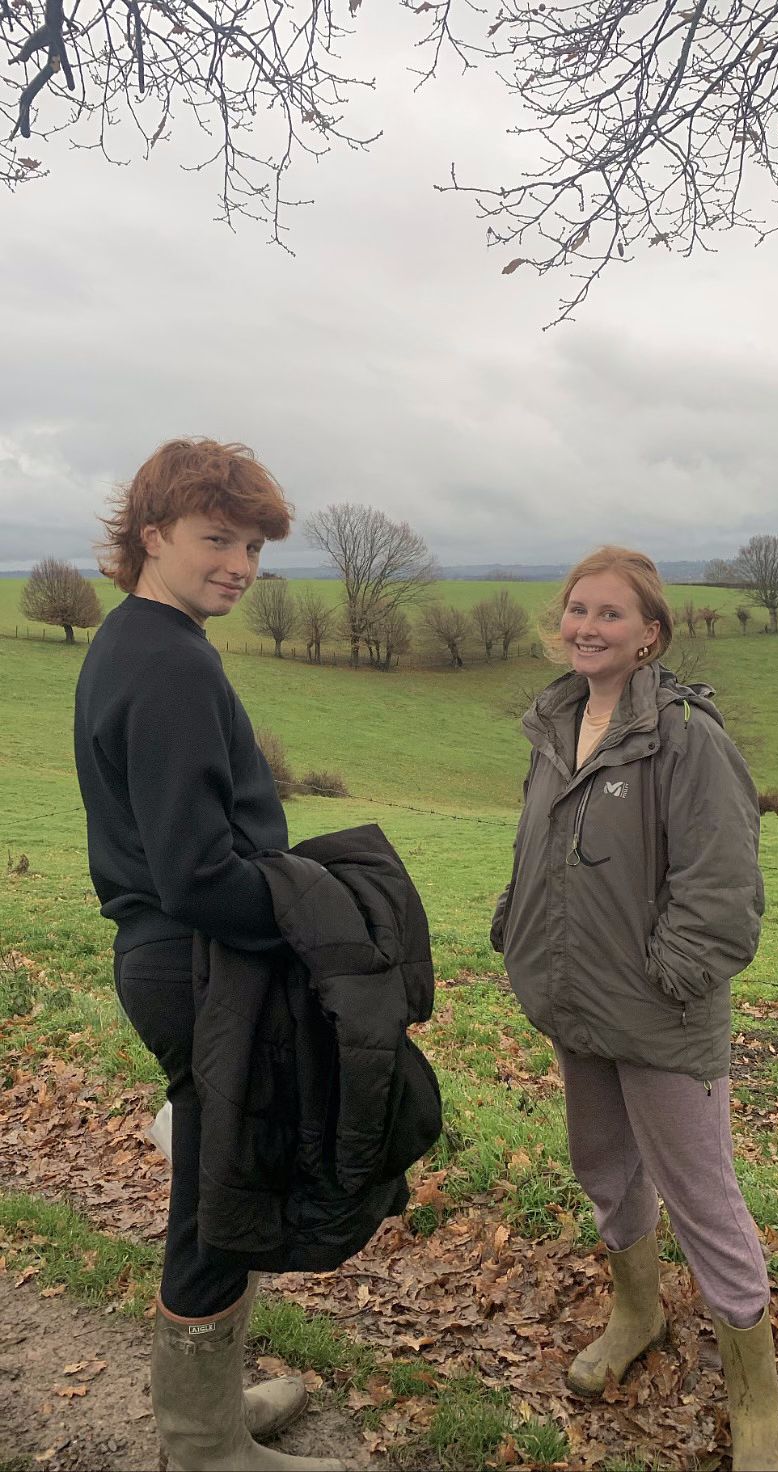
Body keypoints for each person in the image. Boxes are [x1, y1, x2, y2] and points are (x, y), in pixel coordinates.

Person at [74, 439, 344, 1472]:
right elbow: (195, 872)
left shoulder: (131, 638)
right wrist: (311, 918)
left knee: (216, 1182)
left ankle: (214, 1414)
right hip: (196, 959)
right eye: (217, 540)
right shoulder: (173, 660)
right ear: (154, 536)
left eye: (254, 547)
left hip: (170, 956)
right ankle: (205, 1446)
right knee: (217, 1200)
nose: (239, 565)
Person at [490, 546, 778, 1472]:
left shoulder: (686, 738)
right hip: (574, 1000)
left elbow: (724, 886)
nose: (586, 626)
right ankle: (638, 1314)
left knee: (703, 1198)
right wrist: (513, 921)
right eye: (577, 609)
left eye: (610, 613)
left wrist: (668, 978)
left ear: (650, 634)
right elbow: (538, 847)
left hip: (662, 1015)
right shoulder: (557, 723)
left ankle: (757, 1409)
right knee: (605, 1170)